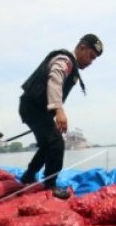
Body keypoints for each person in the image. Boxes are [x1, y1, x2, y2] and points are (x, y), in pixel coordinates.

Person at [18, 33, 103, 199]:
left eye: (94, 60)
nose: (91, 62)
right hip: (33, 107)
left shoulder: (73, 69)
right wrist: (59, 110)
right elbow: (55, 79)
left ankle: (28, 176)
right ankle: (50, 185)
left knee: (47, 145)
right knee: (56, 143)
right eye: (90, 56)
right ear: (82, 47)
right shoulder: (65, 61)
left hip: (36, 109)